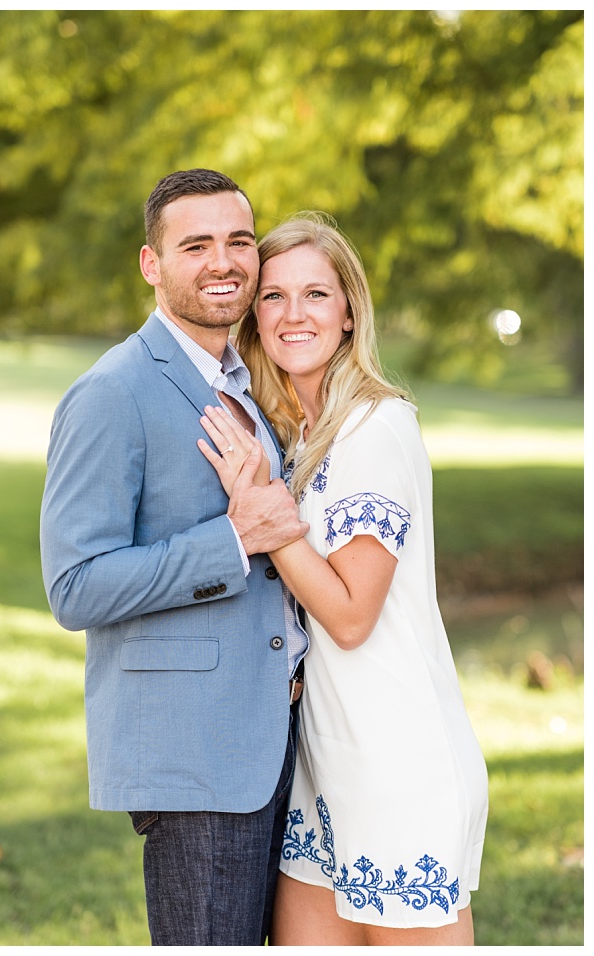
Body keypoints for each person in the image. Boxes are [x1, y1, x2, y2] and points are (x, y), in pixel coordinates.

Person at [197, 212, 489, 945]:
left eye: (316, 295)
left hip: (398, 758)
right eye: (274, 296)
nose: (294, 314)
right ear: (255, 315)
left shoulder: (374, 427)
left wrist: (269, 516)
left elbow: (354, 615)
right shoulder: (302, 435)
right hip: (324, 760)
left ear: (349, 310)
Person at [40, 168, 311, 945]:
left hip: (279, 734)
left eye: (238, 241)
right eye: (196, 245)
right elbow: (75, 585)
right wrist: (233, 539)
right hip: (197, 749)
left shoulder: (247, 384)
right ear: (151, 264)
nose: (223, 262)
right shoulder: (113, 393)